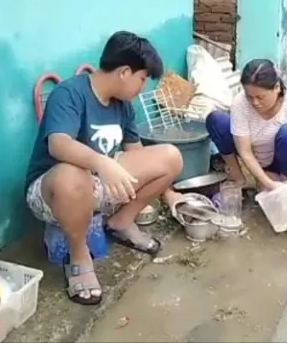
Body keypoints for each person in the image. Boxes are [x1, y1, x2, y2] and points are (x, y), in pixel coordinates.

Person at [25, 31, 184, 305]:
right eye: (143, 78)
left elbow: (137, 156)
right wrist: (102, 162)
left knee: (170, 156)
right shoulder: (70, 93)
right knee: (71, 173)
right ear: (124, 72)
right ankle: (78, 255)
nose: (142, 87)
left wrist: (168, 194)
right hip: (54, 192)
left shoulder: (124, 106)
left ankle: (121, 221)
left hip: (100, 185)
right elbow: (58, 145)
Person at [205, 59, 287, 191]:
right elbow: (245, 151)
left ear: (277, 87)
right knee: (216, 120)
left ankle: (286, 182)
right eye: (249, 96)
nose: (255, 102)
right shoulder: (240, 103)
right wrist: (268, 183)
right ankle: (239, 178)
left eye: (260, 97)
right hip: (256, 157)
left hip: (283, 159)